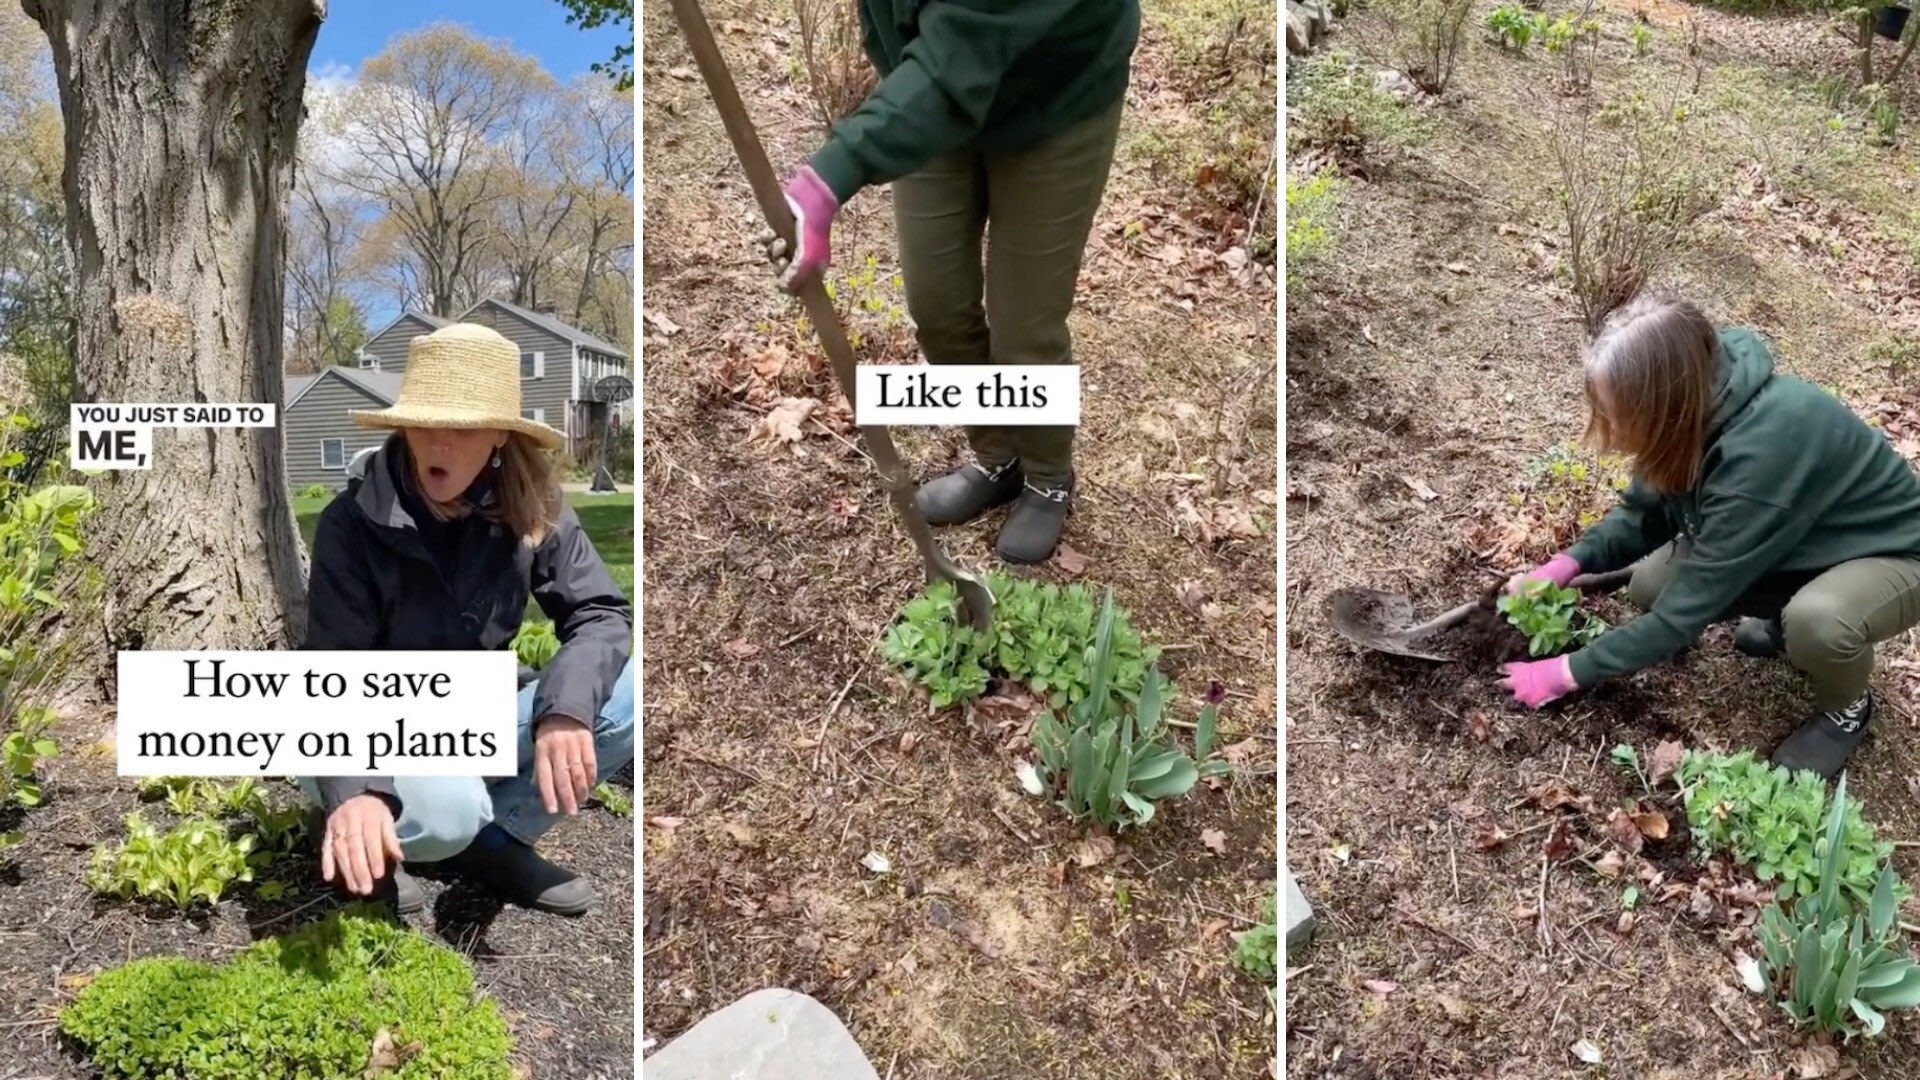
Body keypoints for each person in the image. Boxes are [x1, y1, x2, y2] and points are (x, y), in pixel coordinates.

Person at [761, 0, 1140, 564]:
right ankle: (997, 458)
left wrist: (828, 181)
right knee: (937, 303)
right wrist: (900, 80)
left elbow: (967, 44)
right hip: (933, 87)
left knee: (1023, 328)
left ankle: (1047, 477)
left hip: (1057, 93)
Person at [1498, 296, 1920, 780]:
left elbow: (1680, 619)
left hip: (1895, 554)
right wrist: (1566, 565)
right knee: (1649, 584)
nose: (1611, 430)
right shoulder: (1700, 399)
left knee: (1819, 622)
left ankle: (1847, 708)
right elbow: (1642, 516)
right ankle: (1784, 617)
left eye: (1617, 416)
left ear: (1661, 407)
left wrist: (1564, 673)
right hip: (1809, 535)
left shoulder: (1755, 463)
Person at [301, 322, 635, 916]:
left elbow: (600, 614)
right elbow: (332, 673)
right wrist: (356, 790)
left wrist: (564, 711)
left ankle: (496, 839)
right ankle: (359, 825)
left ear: (501, 436)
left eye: (463, 428)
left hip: (470, 714)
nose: (440, 445)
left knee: (628, 694)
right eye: (426, 424)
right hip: (373, 726)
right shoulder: (350, 523)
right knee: (446, 809)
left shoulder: (535, 506)